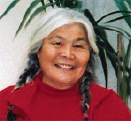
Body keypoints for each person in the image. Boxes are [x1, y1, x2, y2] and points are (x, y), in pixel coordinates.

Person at [0, 8, 130, 121]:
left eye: (78, 46)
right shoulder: (6, 103)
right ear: (38, 50)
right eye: (58, 43)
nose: (68, 54)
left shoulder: (108, 105)